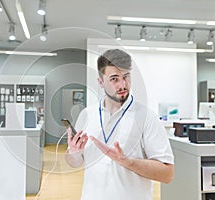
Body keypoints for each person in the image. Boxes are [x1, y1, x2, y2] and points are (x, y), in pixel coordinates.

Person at [65, 49, 174, 200]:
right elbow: (74, 163)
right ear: (101, 82)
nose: (123, 84)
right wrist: (74, 153)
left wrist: (128, 162)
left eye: (126, 77)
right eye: (114, 79)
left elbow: (167, 174)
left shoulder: (147, 117)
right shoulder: (87, 115)